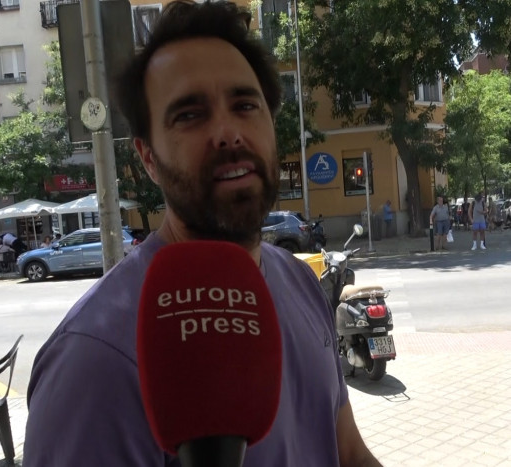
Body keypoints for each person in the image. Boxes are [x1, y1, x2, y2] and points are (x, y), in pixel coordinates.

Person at [23, 2, 381, 466]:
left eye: (245, 105)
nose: (229, 132)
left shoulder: (300, 284)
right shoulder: (92, 361)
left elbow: (347, 451)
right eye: (190, 115)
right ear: (148, 157)